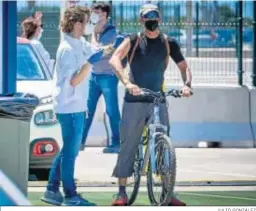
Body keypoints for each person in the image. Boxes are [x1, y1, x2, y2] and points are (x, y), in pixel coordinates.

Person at [109, 4, 192, 206]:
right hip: (135, 101)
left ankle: (167, 192)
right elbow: (114, 60)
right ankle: (121, 192)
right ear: (141, 20)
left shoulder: (168, 42)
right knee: (128, 144)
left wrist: (187, 85)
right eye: (147, 17)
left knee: (164, 146)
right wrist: (127, 83)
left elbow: (184, 66)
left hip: (158, 100)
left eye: (154, 16)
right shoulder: (133, 40)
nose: (151, 20)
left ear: (160, 19)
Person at [41, 6, 97, 206]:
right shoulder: (66, 49)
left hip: (76, 107)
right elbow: (73, 81)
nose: (88, 26)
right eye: (85, 21)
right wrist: (91, 62)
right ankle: (70, 195)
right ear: (77, 23)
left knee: (68, 150)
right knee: (71, 153)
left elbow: (96, 52)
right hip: (70, 108)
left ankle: (51, 190)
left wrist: (114, 47)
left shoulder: (79, 42)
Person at [80, 2, 121, 154]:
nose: (93, 14)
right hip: (94, 75)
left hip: (108, 76)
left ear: (104, 14)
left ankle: (116, 143)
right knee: (87, 111)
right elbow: (93, 51)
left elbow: (100, 52)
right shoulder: (93, 30)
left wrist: (94, 47)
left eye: (96, 11)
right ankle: (80, 142)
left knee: (112, 111)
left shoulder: (111, 31)